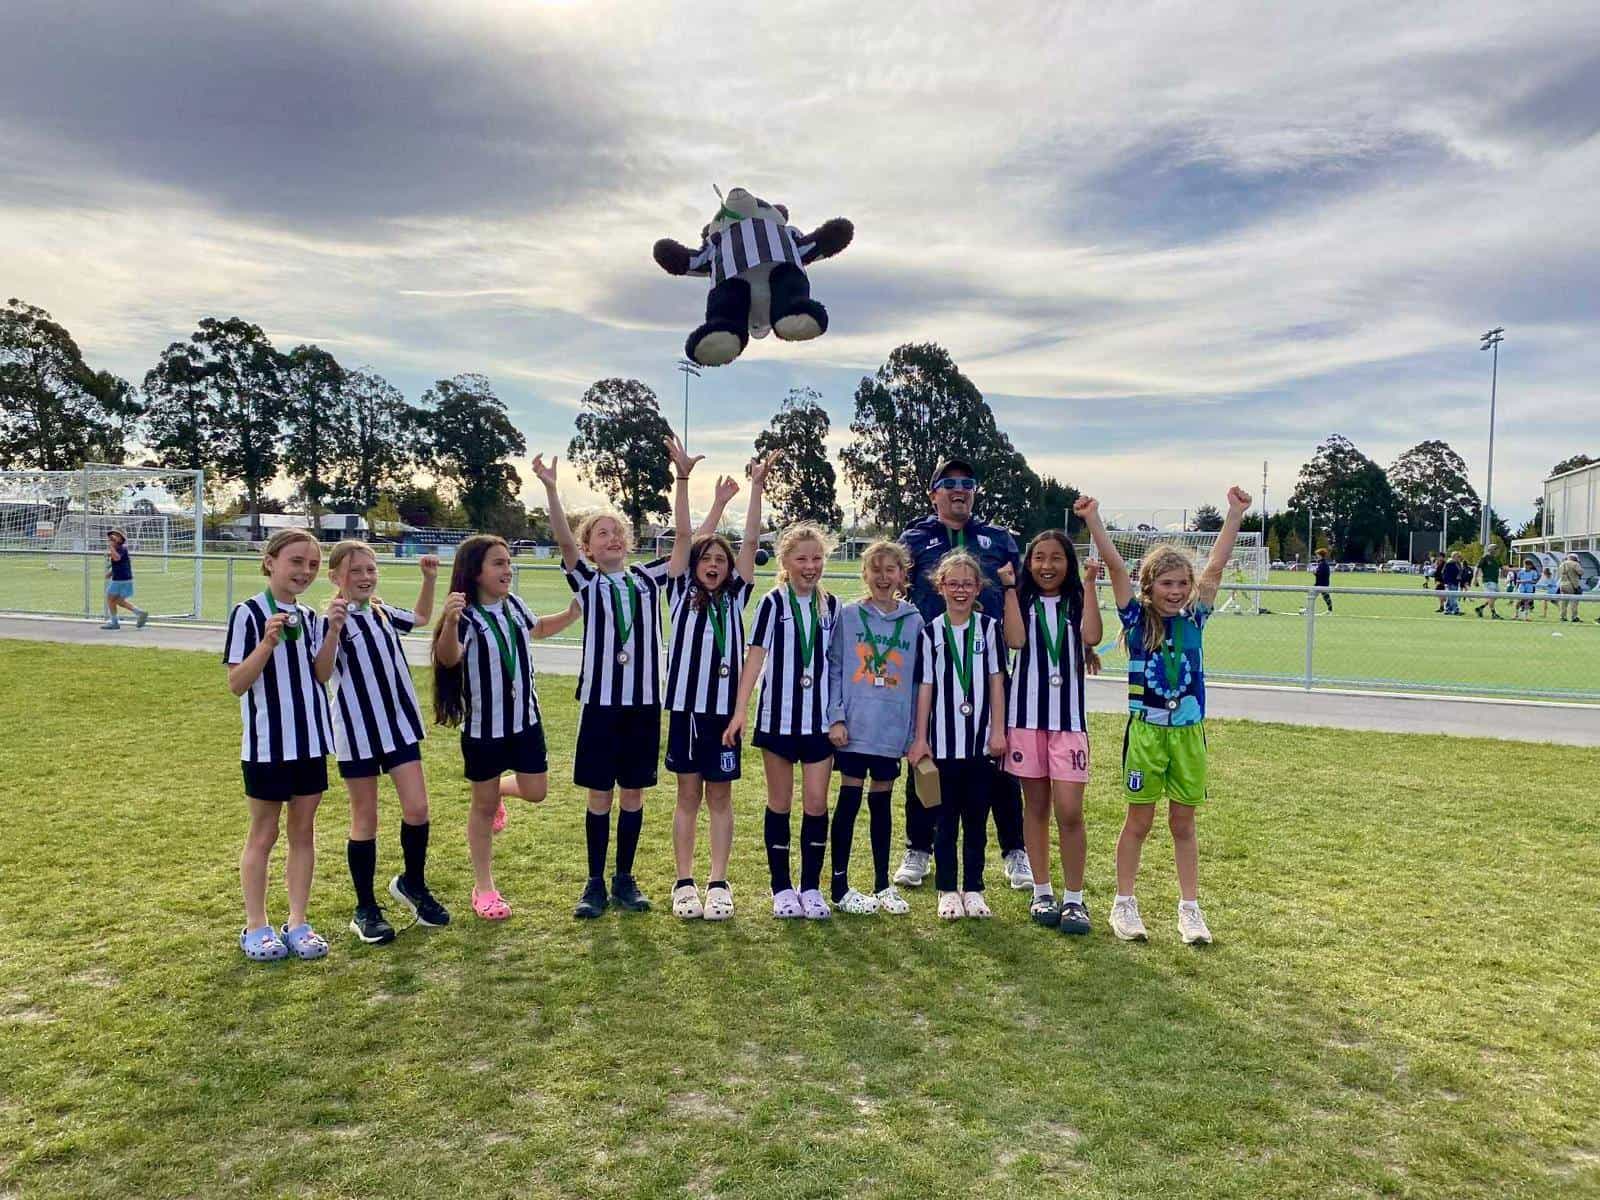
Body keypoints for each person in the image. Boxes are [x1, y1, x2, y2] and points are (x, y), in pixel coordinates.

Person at [1080, 485, 1253, 945]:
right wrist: (1094, 520)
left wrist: (1234, 514)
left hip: (1188, 734)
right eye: (1166, 584)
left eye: (1181, 584)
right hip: (1147, 734)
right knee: (1139, 821)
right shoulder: (1136, 621)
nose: (1175, 592)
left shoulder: (1196, 618)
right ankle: (1124, 903)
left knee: (1183, 824)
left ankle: (1190, 910)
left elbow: (1215, 566)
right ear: (1149, 586)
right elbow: (1117, 566)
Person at [535, 455, 671, 919]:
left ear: (628, 542)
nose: (611, 538)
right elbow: (562, 539)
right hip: (601, 704)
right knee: (599, 794)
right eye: (601, 534)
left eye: (617, 532)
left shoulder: (649, 579)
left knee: (633, 793)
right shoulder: (587, 582)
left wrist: (690, 484)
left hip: (643, 704)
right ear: (589, 548)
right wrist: (551, 489)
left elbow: (687, 546)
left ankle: (624, 878)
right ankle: (594, 882)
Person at [894, 457, 1030, 892]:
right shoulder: (914, 539)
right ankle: (919, 847)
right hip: (931, 668)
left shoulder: (998, 539)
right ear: (933, 493)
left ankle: (1014, 850)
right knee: (924, 754)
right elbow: (893, 590)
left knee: (999, 761)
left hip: (986, 669)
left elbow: (1021, 599)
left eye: (967, 483)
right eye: (950, 483)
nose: (959, 490)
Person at [430, 534, 581, 921]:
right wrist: (449, 622)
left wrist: (574, 611)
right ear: (475, 571)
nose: (508, 569)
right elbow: (448, 658)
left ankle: (497, 791)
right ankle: (484, 889)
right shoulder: (465, 616)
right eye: (498, 563)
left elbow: (538, 628)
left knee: (536, 791)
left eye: (509, 562)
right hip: (484, 731)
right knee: (481, 809)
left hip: (526, 722)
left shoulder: (513, 603)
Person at [662, 441, 774, 921]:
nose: (713, 565)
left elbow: (749, 542)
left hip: (725, 716)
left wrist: (756, 488)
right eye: (706, 559)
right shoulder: (678, 590)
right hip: (687, 712)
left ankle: (718, 881)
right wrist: (683, 479)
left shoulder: (737, 596)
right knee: (688, 796)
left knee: (721, 797)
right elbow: (686, 534)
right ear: (694, 565)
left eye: (720, 561)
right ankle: (684, 882)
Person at [322, 541, 449, 944]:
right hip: (357, 732)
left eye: (370, 569)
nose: (365, 577)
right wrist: (333, 630)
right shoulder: (329, 621)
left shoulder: (381, 612)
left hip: (398, 727)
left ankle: (413, 884)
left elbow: (421, 617)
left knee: (418, 808)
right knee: (366, 817)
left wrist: (429, 579)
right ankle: (366, 909)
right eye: (355, 571)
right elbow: (321, 672)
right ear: (335, 577)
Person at [225, 528, 334, 962]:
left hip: (310, 742)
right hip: (267, 746)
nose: (305, 571)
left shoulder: (308, 616)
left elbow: (321, 675)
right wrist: (267, 644)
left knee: (303, 833)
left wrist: (333, 632)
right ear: (270, 562)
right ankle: (256, 926)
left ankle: (298, 922)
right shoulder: (248, 613)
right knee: (264, 834)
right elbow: (237, 683)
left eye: (313, 564)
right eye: (296, 561)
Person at [723, 523, 840, 919]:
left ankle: (811, 886)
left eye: (817, 558)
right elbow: (755, 658)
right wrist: (740, 710)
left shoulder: (832, 606)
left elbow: (837, 664)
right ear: (785, 562)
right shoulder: (772, 603)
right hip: (778, 721)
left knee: (816, 803)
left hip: (819, 724)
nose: (810, 566)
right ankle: (781, 888)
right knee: (780, 802)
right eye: (801, 558)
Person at [998, 530, 1102, 934]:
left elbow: (1091, 636)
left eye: (1056, 557)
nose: (1046, 565)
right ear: (1029, 563)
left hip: (1069, 724)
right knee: (1036, 808)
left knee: (1070, 811)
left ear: (1068, 563)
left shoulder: (1077, 599)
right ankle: (1042, 892)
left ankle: (1074, 898)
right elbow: (1015, 640)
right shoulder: (1021, 599)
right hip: (1026, 721)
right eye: (1038, 557)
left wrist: (1090, 583)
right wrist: (1010, 589)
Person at [907, 550, 1008, 920]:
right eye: (953, 584)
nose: (960, 590)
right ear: (941, 587)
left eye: (967, 584)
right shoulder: (931, 632)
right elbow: (925, 688)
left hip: (981, 744)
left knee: (977, 821)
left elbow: (997, 682)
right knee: (945, 821)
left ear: (978, 587)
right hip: (943, 746)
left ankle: (975, 888)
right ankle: (948, 889)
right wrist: (921, 738)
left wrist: (999, 731)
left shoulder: (990, 629)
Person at [825, 541, 924, 916]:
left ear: (902, 575)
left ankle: (883, 885)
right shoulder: (850, 615)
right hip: (854, 728)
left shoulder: (914, 621)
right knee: (849, 801)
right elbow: (835, 668)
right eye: (876, 570)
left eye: (890, 570)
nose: (883, 577)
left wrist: (913, 733)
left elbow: (917, 682)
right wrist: (836, 716)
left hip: (890, 730)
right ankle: (839, 884)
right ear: (864, 573)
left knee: (882, 804)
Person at [100, 529, 149, 630]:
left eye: (115, 536)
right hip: (122, 578)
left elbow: (117, 558)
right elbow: (119, 564)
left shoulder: (121, 548)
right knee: (118, 600)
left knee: (110, 599)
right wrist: (111, 573)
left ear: (121, 539)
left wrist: (111, 547)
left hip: (121, 579)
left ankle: (115, 622)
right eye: (111, 537)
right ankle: (139, 613)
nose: (112, 539)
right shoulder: (117, 548)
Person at [1473, 548, 1503, 619]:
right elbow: (1477, 567)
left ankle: (1480, 608)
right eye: (1496, 549)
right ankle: (1493, 613)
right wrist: (1475, 579)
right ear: (1491, 550)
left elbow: (1502, 567)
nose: (1498, 551)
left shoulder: (1496, 559)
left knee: (1494, 597)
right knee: (1492, 596)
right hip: (1487, 581)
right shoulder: (1485, 557)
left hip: (1495, 581)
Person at [1558, 554, 1585, 622]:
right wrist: (1579, 565)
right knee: (1574, 602)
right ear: (1575, 558)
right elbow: (1581, 572)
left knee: (1564, 602)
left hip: (1562, 584)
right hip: (1572, 585)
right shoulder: (1575, 564)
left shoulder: (1562, 564)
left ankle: (1562, 617)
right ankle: (1574, 617)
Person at [1312, 548, 1333, 613]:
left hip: (1321, 584)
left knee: (1312, 597)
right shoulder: (1322, 563)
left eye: (1317, 555)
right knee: (1324, 597)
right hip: (1322, 584)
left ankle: (1330, 610)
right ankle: (1330, 610)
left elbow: (1321, 574)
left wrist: (1315, 572)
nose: (1316, 556)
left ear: (1320, 555)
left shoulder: (1323, 564)